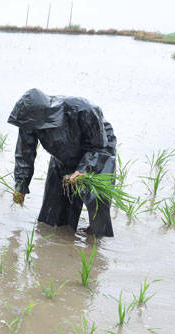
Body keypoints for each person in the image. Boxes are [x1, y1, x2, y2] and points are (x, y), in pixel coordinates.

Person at [8, 88, 116, 237]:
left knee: (97, 205)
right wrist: (21, 185)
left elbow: (99, 145)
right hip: (62, 154)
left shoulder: (83, 109)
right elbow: (24, 153)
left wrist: (84, 169)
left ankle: (96, 244)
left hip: (97, 151)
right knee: (53, 217)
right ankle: (61, 244)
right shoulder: (29, 121)